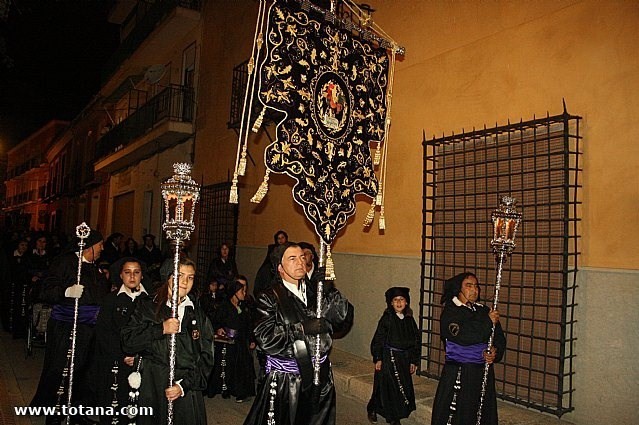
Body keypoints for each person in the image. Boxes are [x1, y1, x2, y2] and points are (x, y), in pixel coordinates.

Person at [243, 242, 352, 425]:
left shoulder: (314, 292)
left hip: (322, 376)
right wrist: (301, 329)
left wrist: (329, 290)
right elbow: (266, 337)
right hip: (289, 380)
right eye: (292, 258)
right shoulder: (268, 297)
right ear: (280, 267)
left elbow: (341, 319)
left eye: (302, 257)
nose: (300, 262)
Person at [121, 258, 214, 425]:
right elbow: (128, 341)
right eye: (179, 275)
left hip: (185, 387)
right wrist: (161, 329)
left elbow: (206, 357)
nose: (185, 282)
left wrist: (183, 386)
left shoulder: (197, 314)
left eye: (190, 277)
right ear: (168, 277)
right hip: (153, 384)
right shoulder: (148, 306)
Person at [30, 230, 110, 425]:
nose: (102, 248)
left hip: (89, 330)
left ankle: (76, 413)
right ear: (90, 245)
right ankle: (55, 415)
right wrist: (66, 291)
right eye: (100, 244)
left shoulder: (94, 267)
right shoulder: (64, 262)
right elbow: (46, 289)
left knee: (84, 374)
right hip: (67, 327)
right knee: (62, 372)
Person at [431, 272, 506, 425]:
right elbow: (464, 336)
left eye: (476, 286)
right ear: (459, 289)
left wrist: (494, 351)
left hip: (481, 372)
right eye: (469, 286)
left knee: (482, 413)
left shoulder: (484, 311)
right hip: (460, 372)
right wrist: (488, 321)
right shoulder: (450, 313)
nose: (474, 290)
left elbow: (498, 337)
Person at [93, 257, 148, 425]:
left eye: (136, 272)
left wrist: (140, 355)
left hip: (142, 360)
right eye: (127, 272)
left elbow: (153, 332)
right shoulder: (110, 300)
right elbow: (103, 333)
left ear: (142, 276)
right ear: (121, 276)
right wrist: (123, 354)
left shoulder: (150, 301)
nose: (132, 277)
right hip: (115, 359)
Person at [366, 287, 419, 425]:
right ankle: (391, 417)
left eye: (402, 299)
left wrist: (413, 360)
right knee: (387, 388)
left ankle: (386, 410)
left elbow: (415, 341)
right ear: (391, 303)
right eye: (395, 300)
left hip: (404, 359)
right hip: (388, 358)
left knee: (399, 387)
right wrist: (378, 357)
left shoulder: (409, 320)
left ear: (406, 302)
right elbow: (378, 339)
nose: (399, 303)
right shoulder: (387, 319)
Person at [208, 276, 256, 402]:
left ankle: (241, 392)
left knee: (242, 367)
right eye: (241, 289)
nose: (244, 291)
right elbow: (216, 321)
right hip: (227, 342)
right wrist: (219, 329)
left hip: (241, 342)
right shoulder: (225, 305)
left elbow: (249, 324)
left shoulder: (245, 305)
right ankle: (223, 388)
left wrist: (252, 339)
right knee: (225, 366)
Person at [253, 230, 288, 295]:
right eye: (279, 238)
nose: (281, 240)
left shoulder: (290, 250)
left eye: (282, 237)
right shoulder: (272, 249)